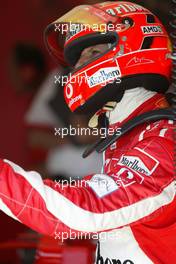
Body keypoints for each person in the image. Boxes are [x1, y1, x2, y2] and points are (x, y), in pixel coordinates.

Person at [0, 1, 175, 263]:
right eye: (77, 58)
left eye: (91, 52)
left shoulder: (162, 143)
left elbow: (86, 210)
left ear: (135, 52)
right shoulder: (128, 134)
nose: (77, 67)